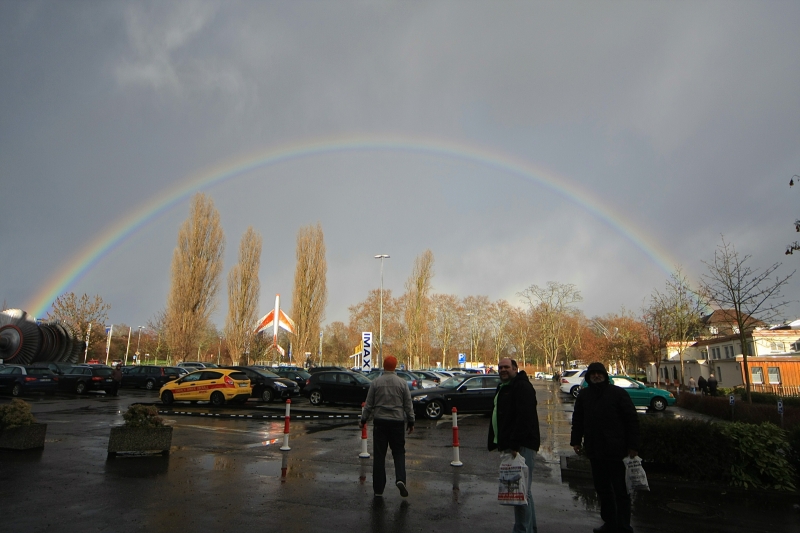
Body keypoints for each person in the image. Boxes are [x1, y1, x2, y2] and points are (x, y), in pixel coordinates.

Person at [570, 362, 639, 533]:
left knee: (621, 490)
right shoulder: (584, 396)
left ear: (605, 375)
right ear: (588, 377)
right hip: (595, 450)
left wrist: (633, 445)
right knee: (602, 489)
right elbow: (578, 420)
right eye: (592, 374)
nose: (596, 376)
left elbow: (632, 420)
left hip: (617, 451)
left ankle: (623, 526)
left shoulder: (618, 394)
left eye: (599, 373)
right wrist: (576, 441)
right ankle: (609, 523)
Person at [488, 357, 540, 533]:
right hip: (512, 445)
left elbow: (524, 418)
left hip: (521, 446)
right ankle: (529, 529)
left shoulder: (521, 387)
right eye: (500, 367)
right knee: (523, 491)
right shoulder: (505, 387)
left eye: (506, 367)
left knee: (521, 491)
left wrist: (515, 444)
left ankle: (522, 530)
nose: (503, 370)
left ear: (515, 368)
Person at [360, 355, 415, 498]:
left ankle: (378, 489)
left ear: (384, 366)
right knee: (398, 452)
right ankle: (400, 479)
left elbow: (369, 404)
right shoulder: (402, 383)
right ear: (395, 366)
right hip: (397, 422)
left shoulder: (376, 383)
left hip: (380, 423)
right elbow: (408, 404)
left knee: (379, 456)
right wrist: (411, 421)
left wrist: (363, 419)